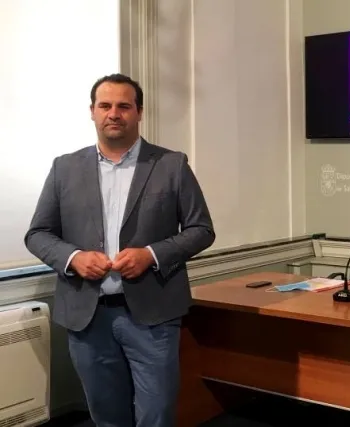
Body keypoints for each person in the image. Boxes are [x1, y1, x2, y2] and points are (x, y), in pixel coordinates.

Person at [25, 73, 215, 427]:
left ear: (139, 112)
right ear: (92, 112)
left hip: (153, 315)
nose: (114, 113)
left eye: (124, 106)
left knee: (156, 415)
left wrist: (151, 255)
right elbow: (38, 234)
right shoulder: (64, 168)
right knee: (106, 417)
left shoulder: (171, 165)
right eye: (105, 105)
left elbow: (201, 230)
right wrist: (74, 258)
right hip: (87, 316)